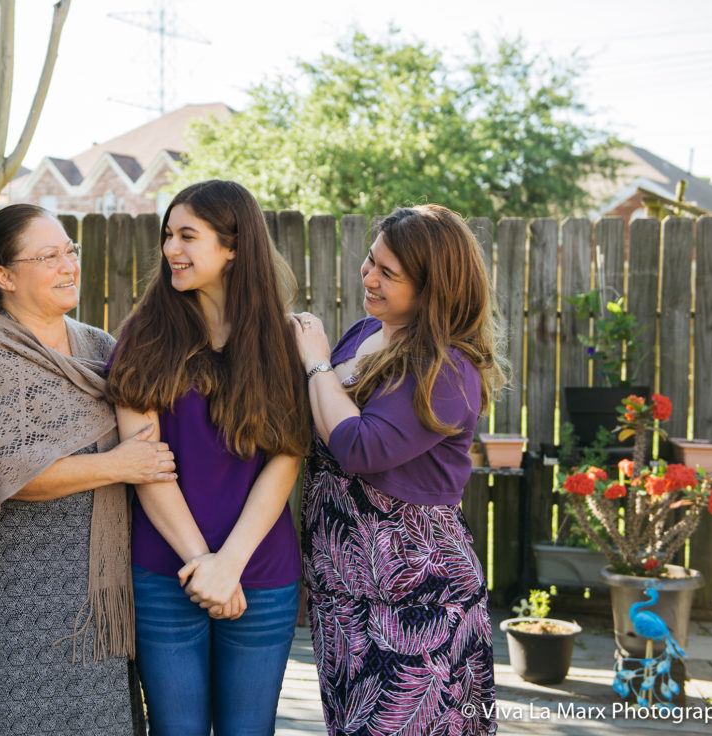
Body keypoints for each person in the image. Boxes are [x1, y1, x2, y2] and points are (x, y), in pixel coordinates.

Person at [0, 204, 177, 736]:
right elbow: (2, 473)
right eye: (48, 255)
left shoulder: (99, 347)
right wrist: (118, 465)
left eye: (70, 251)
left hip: (97, 594)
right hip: (16, 592)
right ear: (4, 276)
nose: (68, 264)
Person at [105, 179, 311, 735]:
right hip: (163, 573)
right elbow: (144, 463)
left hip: (261, 574)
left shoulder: (283, 343)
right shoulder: (143, 337)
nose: (171, 248)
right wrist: (204, 566)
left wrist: (231, 564)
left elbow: (286, 457)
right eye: (168, 235)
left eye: (188, 236)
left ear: (234, 247)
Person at [291, 204, 506, 736]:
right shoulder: (366, 332)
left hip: (415, 598)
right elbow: (314, 423)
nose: (369, 277)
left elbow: (360, 448)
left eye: (389, 273)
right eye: (370, 260)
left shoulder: (448, 367)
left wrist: (317, 362)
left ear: (433, 289)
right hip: (342, 588)